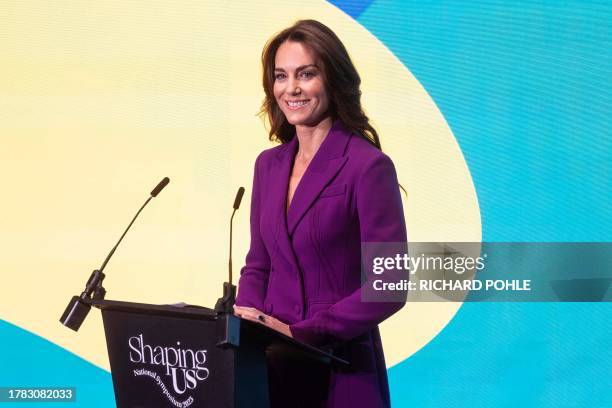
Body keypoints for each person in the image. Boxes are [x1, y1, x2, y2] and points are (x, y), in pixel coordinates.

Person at [233, 19, 407, 408]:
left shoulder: (368, 166)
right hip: (269, 369)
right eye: (281, 76)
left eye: (306, 74)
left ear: (333, 79)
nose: (290, 88)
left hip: (337, 369)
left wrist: (302, 333)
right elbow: (259, 264)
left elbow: (389, 286)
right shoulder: (268, 165)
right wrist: (246, 324)